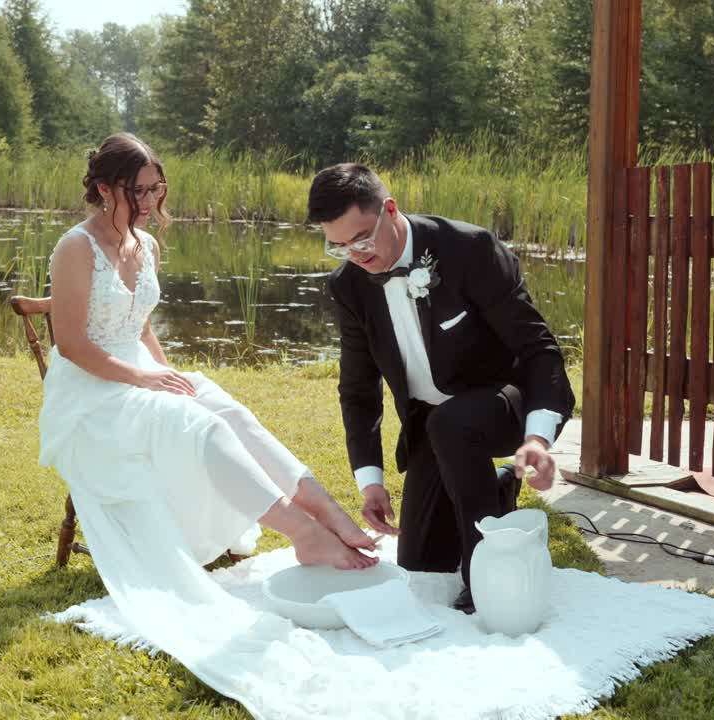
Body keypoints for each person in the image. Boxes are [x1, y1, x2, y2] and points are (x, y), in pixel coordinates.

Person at [38, 133, 377, 584]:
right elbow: (72, 345)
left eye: (155, 187)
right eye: (136, 190)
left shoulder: (147, 247)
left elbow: (139, 326)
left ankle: (326, 510)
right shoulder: (75, 247)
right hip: (91, 395)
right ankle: (302, 532)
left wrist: (167, 374)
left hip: (143, 371)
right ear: (103, 189)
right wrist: (144, 379)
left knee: (229, 411)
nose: (148, 199)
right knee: (202, 426)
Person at [310, 163, 576, 613]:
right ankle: (495, 488)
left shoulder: (468, 249)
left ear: (389, 210)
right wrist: (370, 482)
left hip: (501, 401)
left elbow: (538, 349)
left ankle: (485, 577)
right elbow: (358, 389)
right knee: (421, 562)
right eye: (338, 246)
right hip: (433, 423)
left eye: (362, 238)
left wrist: (536, 438)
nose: (355, 254)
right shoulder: (349, 286)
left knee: (454, 424)